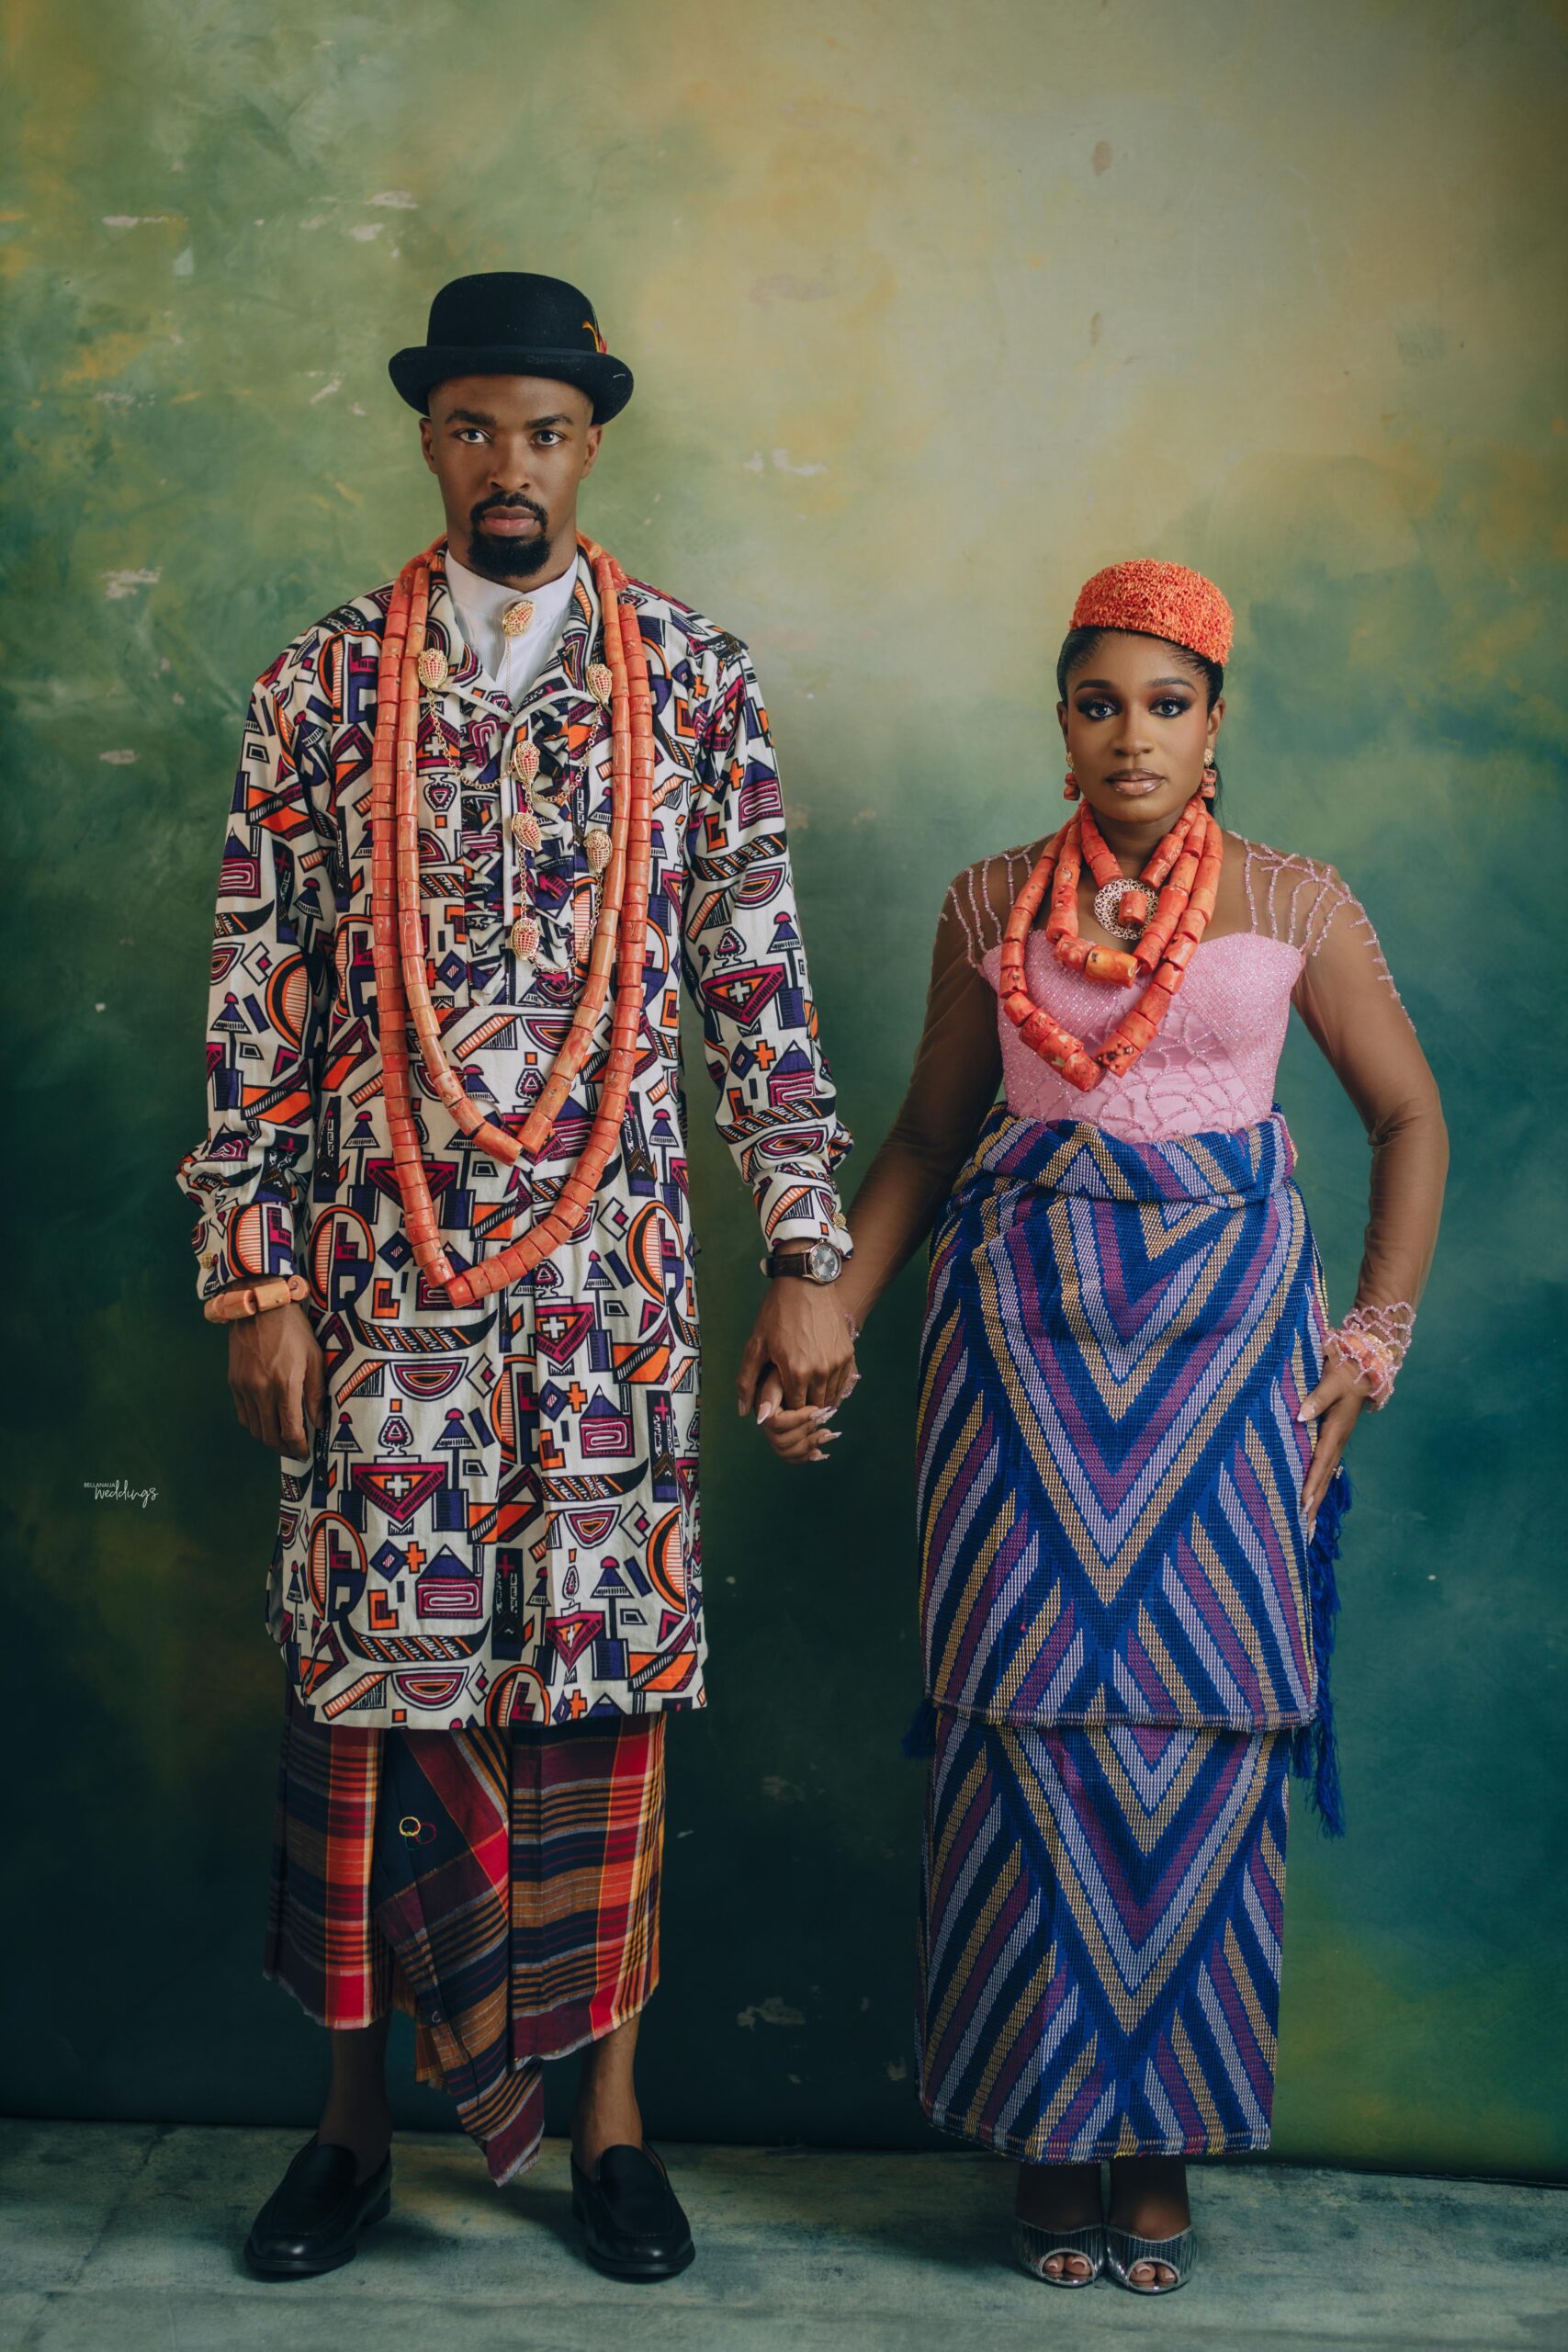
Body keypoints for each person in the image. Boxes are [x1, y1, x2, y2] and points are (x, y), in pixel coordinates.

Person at [175, 271, 859, 2284]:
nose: (509, 466)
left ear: (590, 446)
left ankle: (612, 2131)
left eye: (544, 433)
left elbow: (757, 983)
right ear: (427, 437)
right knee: (363, 1716)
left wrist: (804, 1247)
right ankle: (348, 2134)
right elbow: (255, 995)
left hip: (608, 1303)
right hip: (379, 1290)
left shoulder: (693, 678)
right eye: (473, 426)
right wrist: (255, 1278)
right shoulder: (322, 686)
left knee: (600, 1709)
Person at [746, 560, 1446, 2294]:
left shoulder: (1296, 902)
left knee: (1203, 1737)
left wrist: (1371, 1337)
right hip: (1021, 1359)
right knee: (1025, 1743)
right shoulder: (993, 901)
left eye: (1167, 703)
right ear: (1061, 723)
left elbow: (1408, 1117)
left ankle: (1160, 2149)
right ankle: (1049, 2141)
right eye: (1098, 703)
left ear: (1216, 723)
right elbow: (926, 1142)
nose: (1133, 735)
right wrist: (829, 1314)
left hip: (1232, 1366)